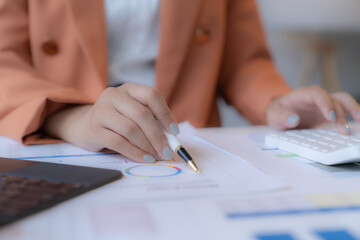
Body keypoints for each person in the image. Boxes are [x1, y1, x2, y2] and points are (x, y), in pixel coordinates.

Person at [0, 0, 358, 164]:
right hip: (62, 141)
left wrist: (276, 102)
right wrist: (71, 116)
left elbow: (244, 61)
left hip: (186, 144)